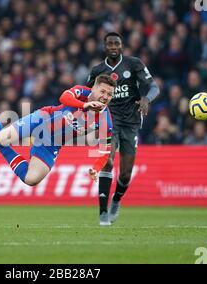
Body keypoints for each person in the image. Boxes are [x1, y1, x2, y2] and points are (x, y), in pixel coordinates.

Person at [0, 74, 115, 196]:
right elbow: (64, 97)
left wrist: (96, 168)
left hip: (52, 142)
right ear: (93, 88)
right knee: (1, 137)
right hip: (42, 119)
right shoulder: (82, 92)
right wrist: (84, 105)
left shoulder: (105, 120)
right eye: (103, 91)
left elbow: (106, 150)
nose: (105, 97)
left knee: (31, 179)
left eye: (109, 94)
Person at [87, 32, 160, 225]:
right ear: (105, 47)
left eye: (116, 43)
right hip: (108, 121)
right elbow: (85, 94)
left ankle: (116, 200)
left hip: (131, 122)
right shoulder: (97, 70)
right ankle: (103, 213)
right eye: (109, 43)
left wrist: (146, 99)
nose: (113, 46)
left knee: (126, 173)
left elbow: (154, 87)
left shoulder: (133, 64)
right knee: (107, 161)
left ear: (121, 46)